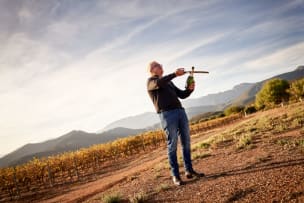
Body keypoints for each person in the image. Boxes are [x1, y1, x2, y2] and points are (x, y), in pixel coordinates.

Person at [146, 61, 205, 186]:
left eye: (161, 65)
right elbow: (159, 83)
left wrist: (189, 90)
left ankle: (189, 171)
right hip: (167, 115)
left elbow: (182, 95)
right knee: (172, 144)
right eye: (159, 66)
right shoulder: (151, 82)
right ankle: (176, 176)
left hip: (180, 112)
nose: (162, 67)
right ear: (152, 69)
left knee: (186, 142)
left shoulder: (169, 82)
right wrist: (175, 74)